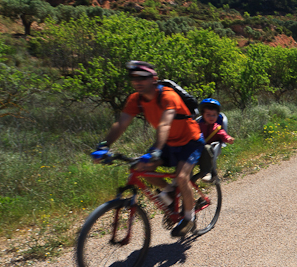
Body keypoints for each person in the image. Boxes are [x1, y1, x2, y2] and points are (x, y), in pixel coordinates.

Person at [92, 61, 204, 237]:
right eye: (133, 78)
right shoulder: (135, 99)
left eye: (142, 77)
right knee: (140, 169)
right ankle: (169, 192)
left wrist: (156, 150)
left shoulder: (168, 96)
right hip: (168, 143)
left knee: (181, 177)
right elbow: (121, 124)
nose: (138, 81)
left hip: (190, 141)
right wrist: (104, 145)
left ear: (154, 79)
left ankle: (188, 219)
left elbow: (165, 124)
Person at [196, 98, 234, 181]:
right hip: (197, 148)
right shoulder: (198, 125)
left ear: (217, 116)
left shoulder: (216, 128)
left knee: (206, 148)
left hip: (210, 149)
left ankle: (207, 172)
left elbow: (223, 134)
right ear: (203, 115)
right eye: (208, 114)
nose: (211, 117)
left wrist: (228, 138)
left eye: (214, 115)